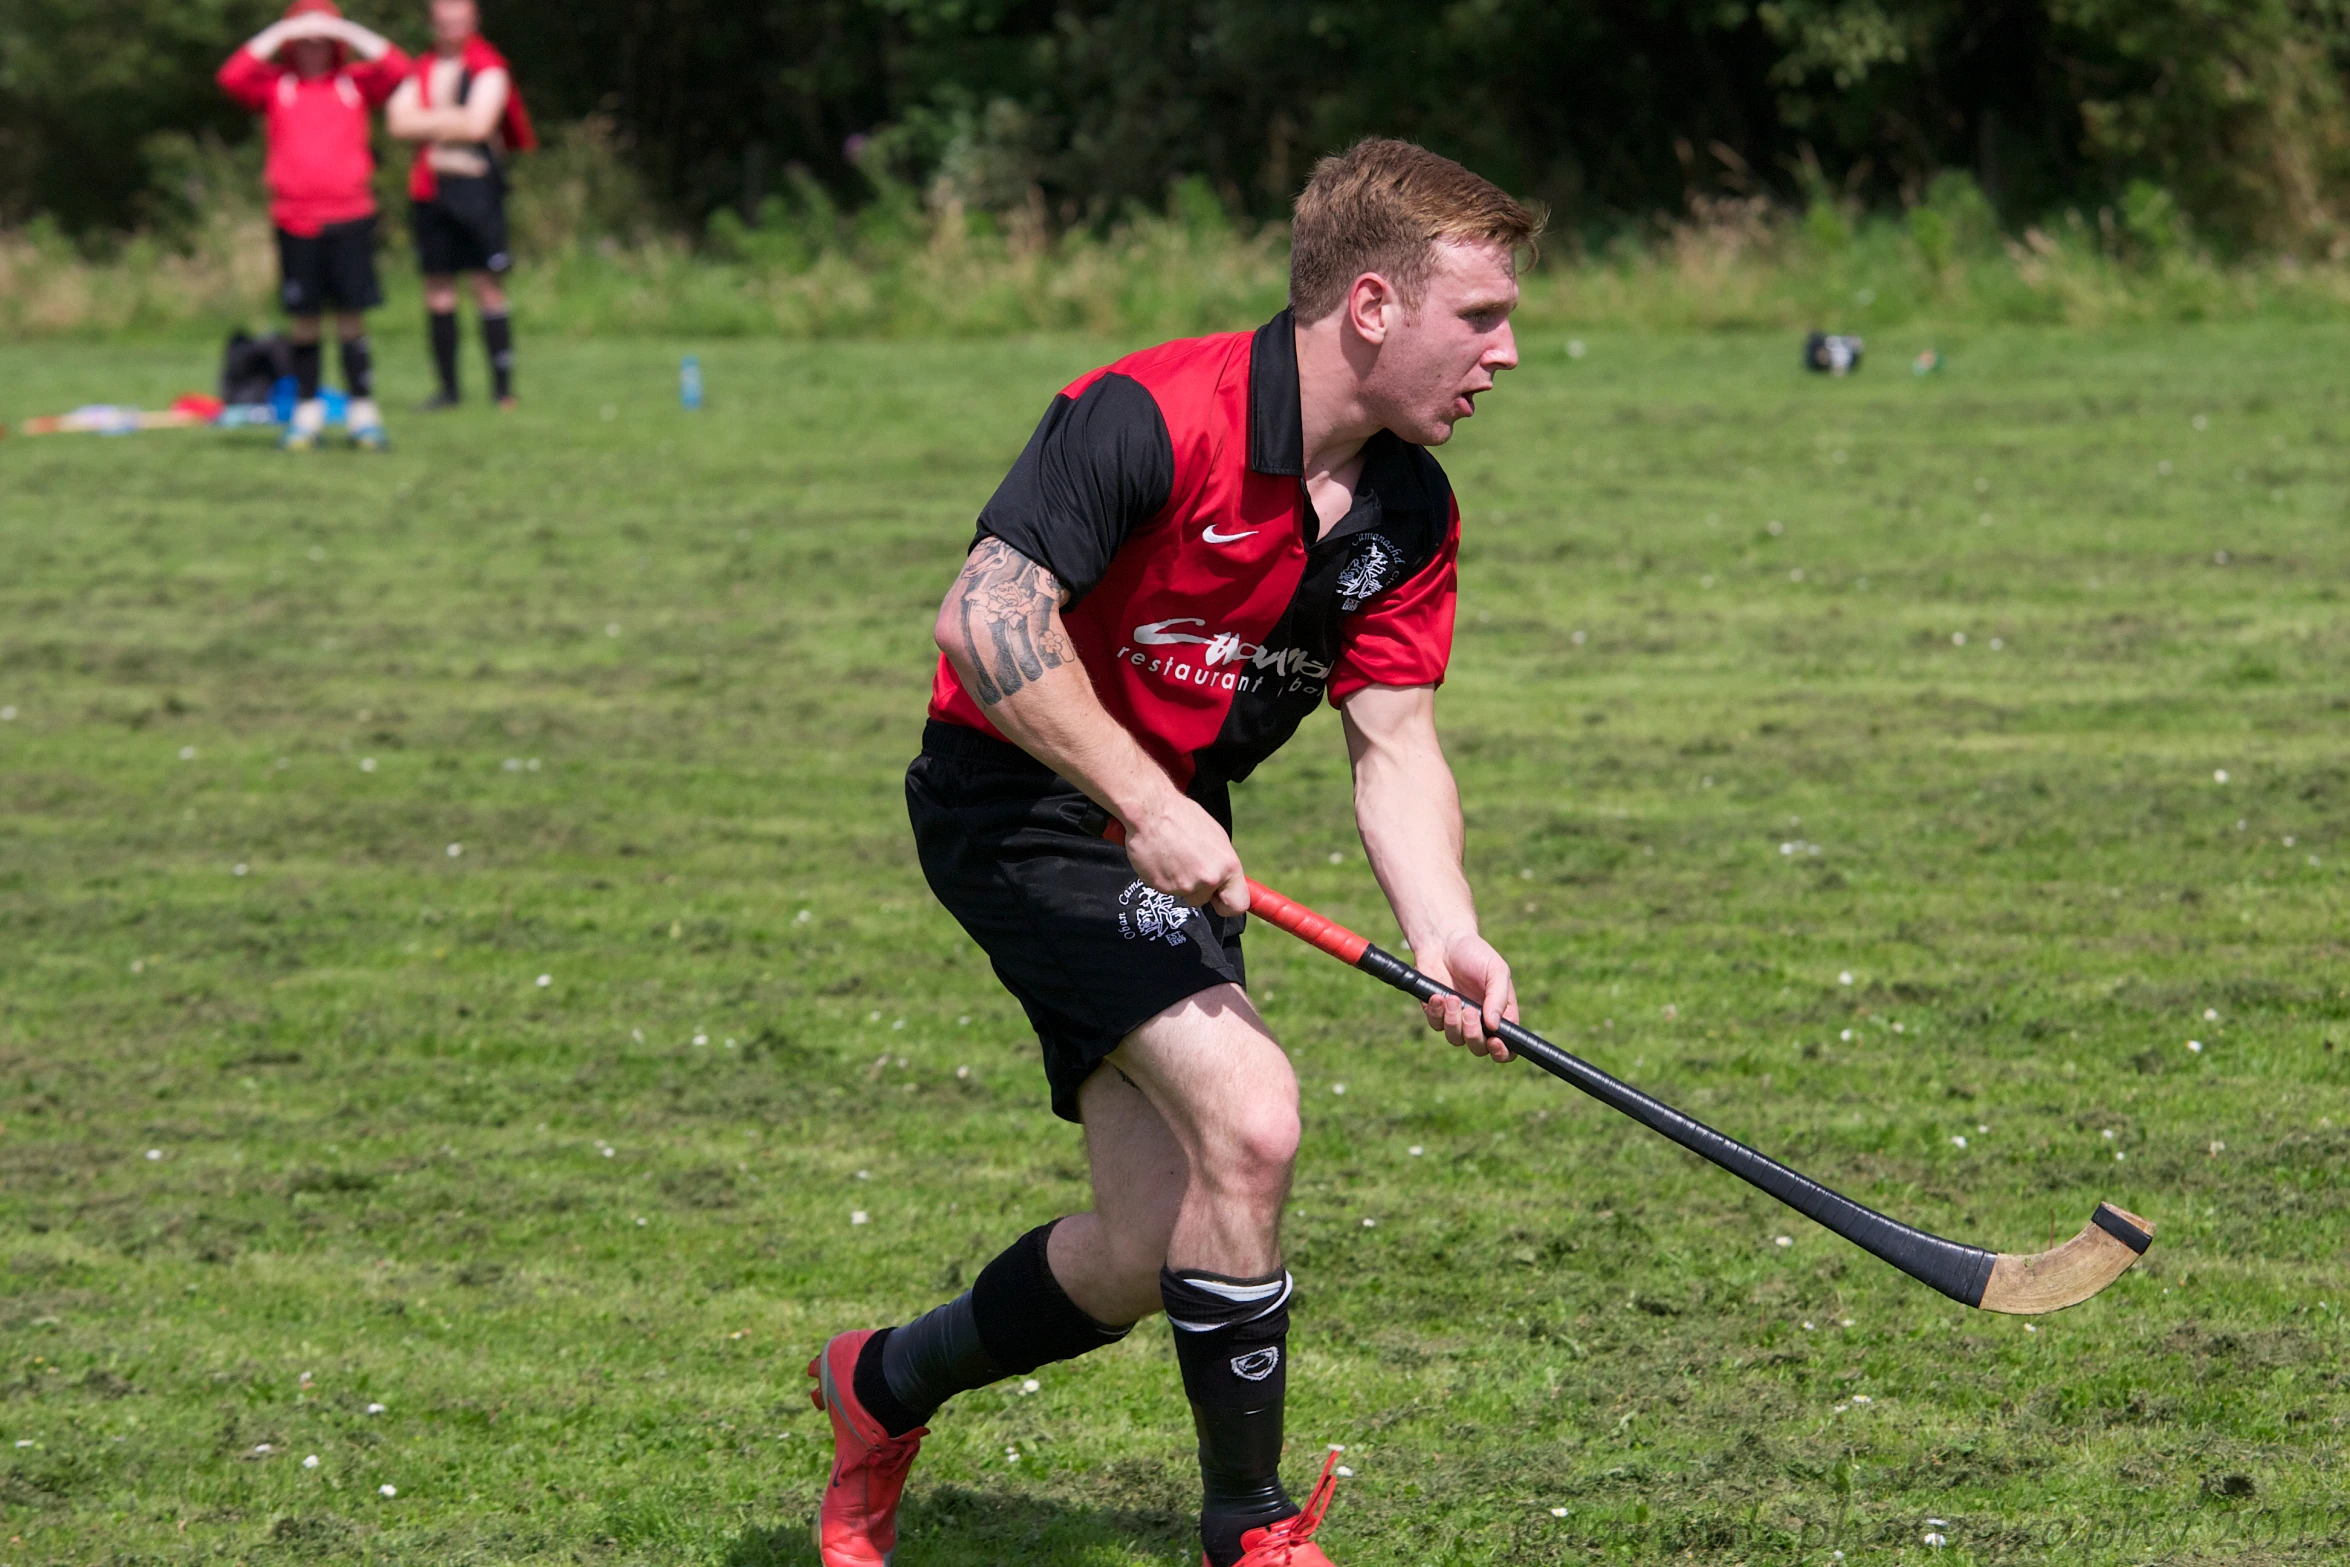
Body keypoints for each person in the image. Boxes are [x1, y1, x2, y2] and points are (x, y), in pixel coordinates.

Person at [808, 139, 1541, 1567]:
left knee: (1151, 1242)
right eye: (1482, 316)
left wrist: (1446, 927)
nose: (1504, 353)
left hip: (1169, 826)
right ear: (1375, 305)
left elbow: (1393, 744)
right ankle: (1250, 1529)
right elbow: (985, 620)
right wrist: (1142, 802)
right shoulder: (1148, 413)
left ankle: (878, 1381)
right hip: (1019, 798)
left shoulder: (1406, 511)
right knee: (1252, 1114)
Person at [216, 0, 409, 451]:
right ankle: (307, 413)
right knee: (304, 320)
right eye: (304, 43)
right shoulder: (277, 87)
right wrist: (284, 31)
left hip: (350, 216)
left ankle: (363, 411)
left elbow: (398, 68)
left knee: (350, 318)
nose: (312, 50)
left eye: (322, 43)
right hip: (295, 220)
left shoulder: (353, 84)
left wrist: (343, 28)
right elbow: (231, 76)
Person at [386, 0, 536, 409]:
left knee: (487, 284)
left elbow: (480, 124)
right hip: (432, 189)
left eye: (459, 20)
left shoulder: (488, 66)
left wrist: (428, 119)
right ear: (433, 23)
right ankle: (448, 391)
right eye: (444, 20)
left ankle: (503, 390)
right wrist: (455, 119)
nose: (451, 27)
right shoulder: (421, 67)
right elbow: (398, 123)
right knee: (438, 286)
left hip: (477, 190)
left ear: (473, 21)